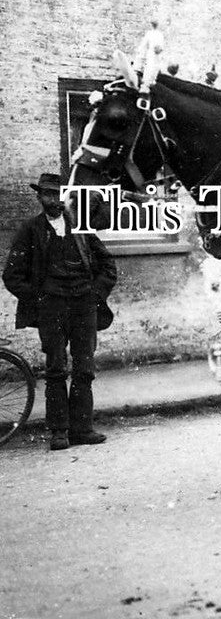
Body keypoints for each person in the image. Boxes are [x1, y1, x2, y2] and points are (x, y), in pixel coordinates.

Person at [3, 174, 117, 451]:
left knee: (84, 368)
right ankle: (59, 432)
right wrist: (39, 299)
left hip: (83, 306)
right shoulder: (30, 230)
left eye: (58, 194)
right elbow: (12, 275)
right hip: (51, 308)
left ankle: (82, 429)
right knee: (56, 369)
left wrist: (95, 294)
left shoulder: (81, 228)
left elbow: (108, 266)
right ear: (40, 197)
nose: (54, 200)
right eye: (48, 195)